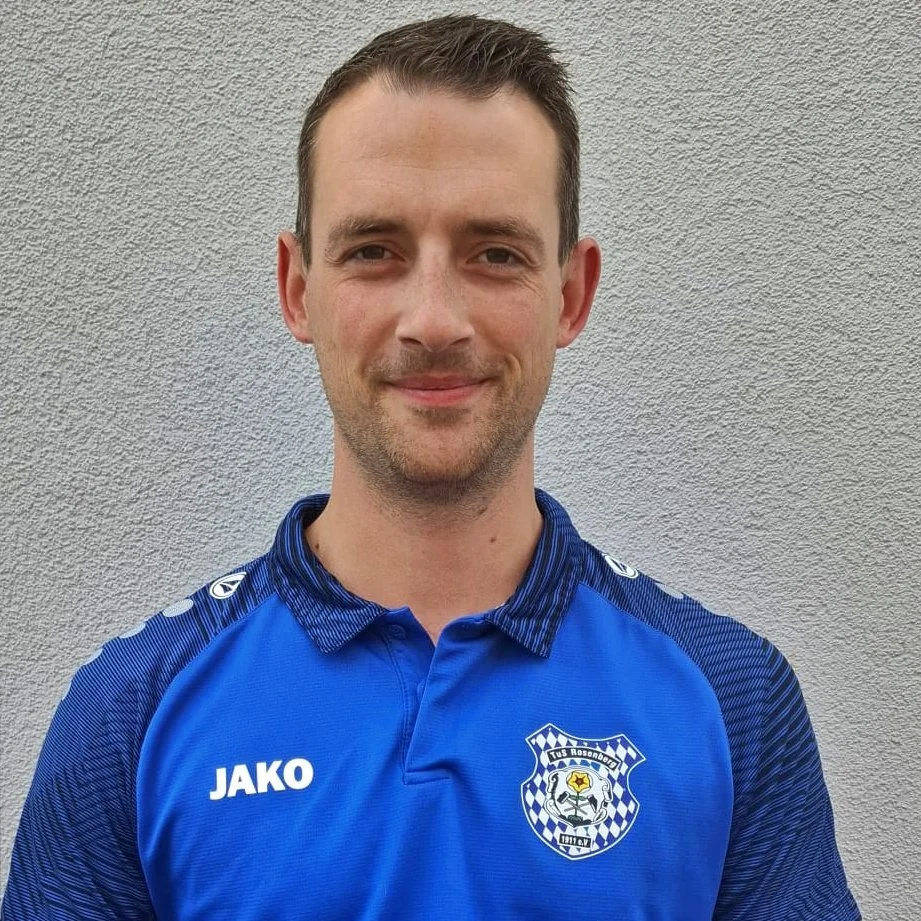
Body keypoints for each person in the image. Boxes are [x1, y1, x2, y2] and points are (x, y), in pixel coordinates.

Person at [2, 13, 860, 920]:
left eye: (495, 254)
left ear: (570, 293)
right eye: (374, 251)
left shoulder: (732, 699)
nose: (434, 320)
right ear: (298, 288)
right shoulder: (129, 711)